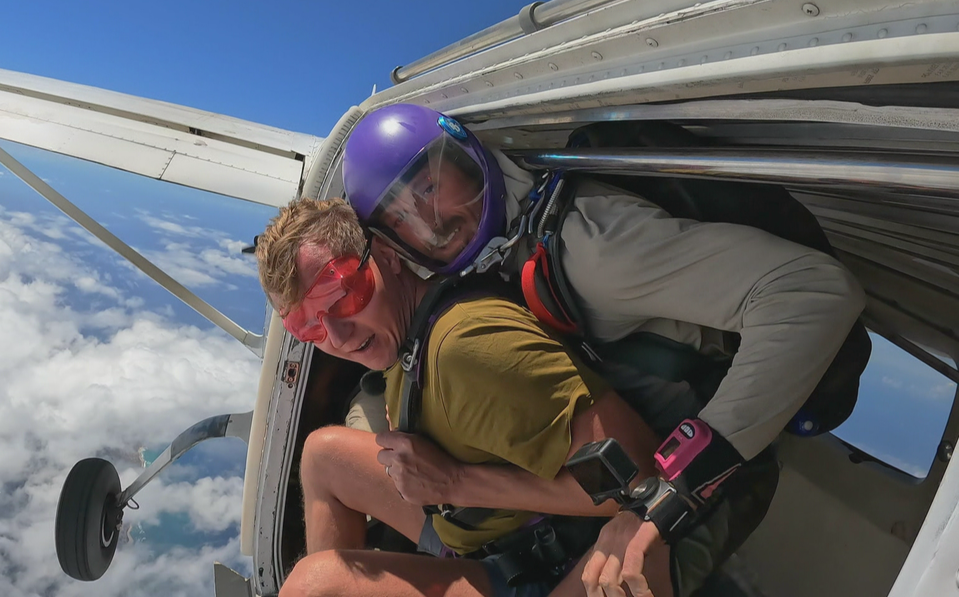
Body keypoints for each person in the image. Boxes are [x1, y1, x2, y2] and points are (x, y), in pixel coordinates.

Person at [341, 103, 868, 595]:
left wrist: (668, 494)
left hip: (714, 472)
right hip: (631, 463)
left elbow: (814, 291)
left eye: (430, 186)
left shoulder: (595, 250)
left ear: (468, 155)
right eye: (401, 219)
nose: (430, 223)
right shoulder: (494, 254)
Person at [254, 198, 674, 597]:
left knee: (315, 586)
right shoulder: (413, 332)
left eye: (343, 294)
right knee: (322, 457)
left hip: (545, 559)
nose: (339, 337)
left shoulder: (465, 352)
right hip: (477, 526)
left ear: (386, 256)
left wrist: (456, 483)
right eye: (308, 327)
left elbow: (638, 478)